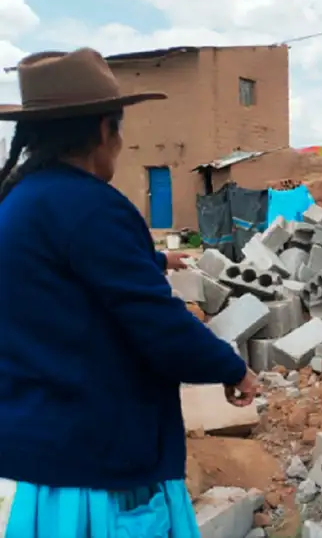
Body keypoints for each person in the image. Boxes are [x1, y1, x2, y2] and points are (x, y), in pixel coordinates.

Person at [0, 48, 259, 537]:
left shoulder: (21, 203)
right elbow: (156, 324)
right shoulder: (91, 207)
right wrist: (231, 368)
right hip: (101, 461)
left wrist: (158, 259)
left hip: (46, 456)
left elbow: (66, 271)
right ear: (104, 130)